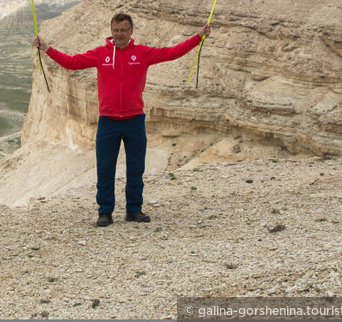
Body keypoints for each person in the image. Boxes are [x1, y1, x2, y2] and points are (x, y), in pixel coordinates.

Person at [33, 13, 211, 227]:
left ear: (131, 31)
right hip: (108, 122)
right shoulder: (100, 54)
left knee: (136, 169)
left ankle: (134, 211)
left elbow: (172, 53)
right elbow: (72, 63)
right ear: (111, 31)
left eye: (123, 30)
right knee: (105, 169)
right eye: (116, 30)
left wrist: (198, 37)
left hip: (134, 120)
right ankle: (105, 212)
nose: (119, 34)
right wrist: (47, 48)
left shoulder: (143, 53)